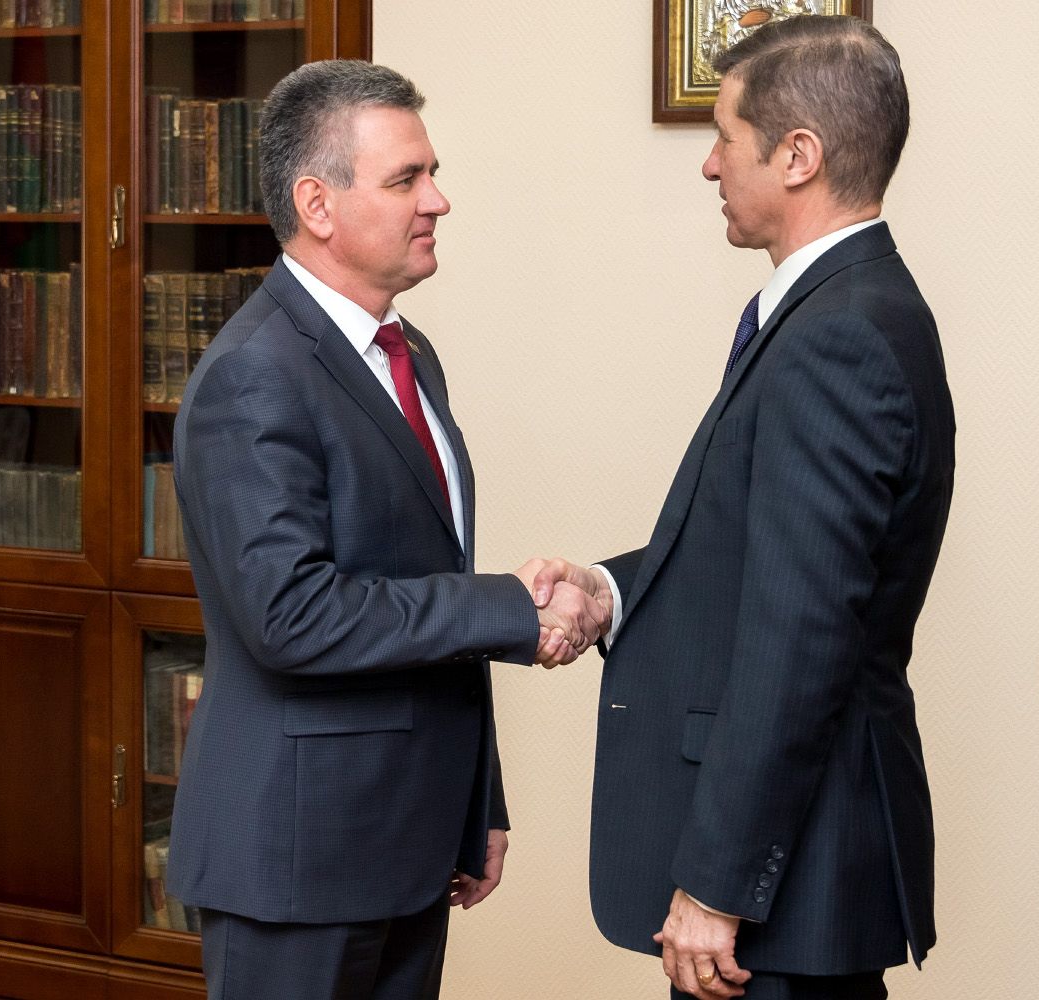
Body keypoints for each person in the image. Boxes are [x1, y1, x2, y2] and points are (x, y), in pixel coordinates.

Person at [532, 15, 954, 1000]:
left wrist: (718, 883)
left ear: (798, 156)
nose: (710, 164)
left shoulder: (838, 335)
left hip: (785, 889)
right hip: (802, 872)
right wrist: (609, 592)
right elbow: (763, 558)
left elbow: (802, 634)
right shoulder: (850, 307)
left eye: (726, 137)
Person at [165, 60, 606, 1000]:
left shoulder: (409, 357)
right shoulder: (255, 375)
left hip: (409, 843)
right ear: (316, 204)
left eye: (431, 174)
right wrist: (511, 607)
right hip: (297, 859)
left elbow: (422, 578)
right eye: (407, 179)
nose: (437, 200)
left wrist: (478, 801)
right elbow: (291, 617)